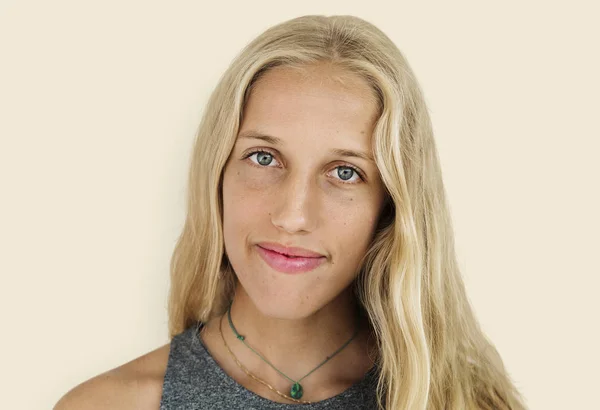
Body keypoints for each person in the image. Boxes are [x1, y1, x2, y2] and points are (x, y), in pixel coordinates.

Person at [54, 14, 527, 410]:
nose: (293, 215)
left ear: (391, 206)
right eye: (264, 158)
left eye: (344, 172)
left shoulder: (467, 402)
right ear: (216, 174)